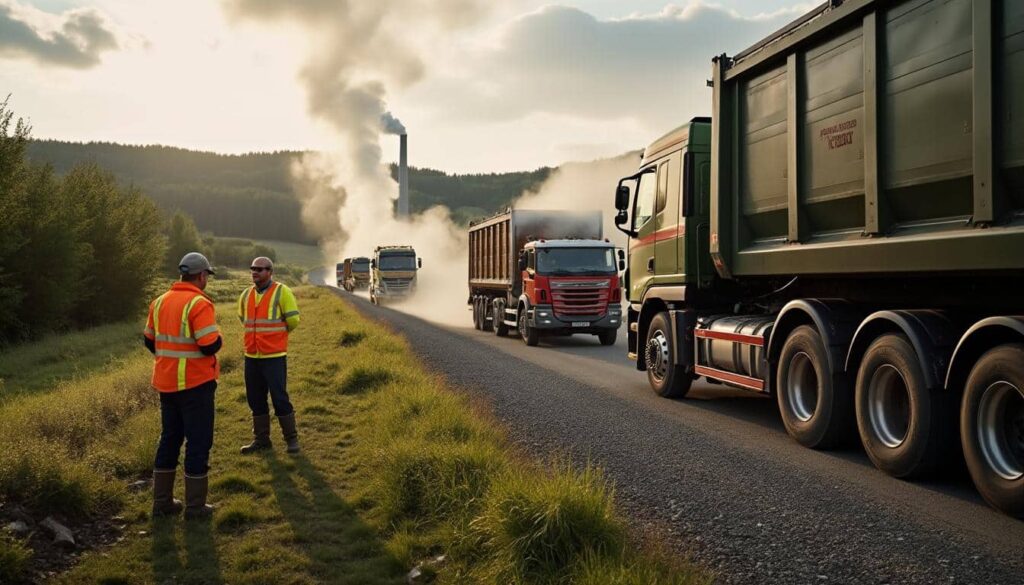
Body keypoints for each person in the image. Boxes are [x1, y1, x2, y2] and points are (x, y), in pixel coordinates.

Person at [144, 252, 221, 520]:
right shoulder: (199, 303)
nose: (206, 280)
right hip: (195, 385)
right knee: (198, 442)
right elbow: (209, 344)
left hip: (167, 385)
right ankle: (196, 507)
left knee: (169, 440)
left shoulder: (159, 301)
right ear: (201, 276)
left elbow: (149, 340)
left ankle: (162, 502)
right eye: (206, 276)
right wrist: (218, 335)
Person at [238, 256, 302, 454]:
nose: (255, 272)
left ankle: (291, 440)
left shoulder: (283, 292)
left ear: (270, 272)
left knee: (279, 398)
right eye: (252, 269)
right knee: (255, 399)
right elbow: (244, 319)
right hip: (252, 357)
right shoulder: (245, 295)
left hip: (274, 356)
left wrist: (276, 337)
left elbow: (293, 321)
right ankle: (262, 439)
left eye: (260, 269)